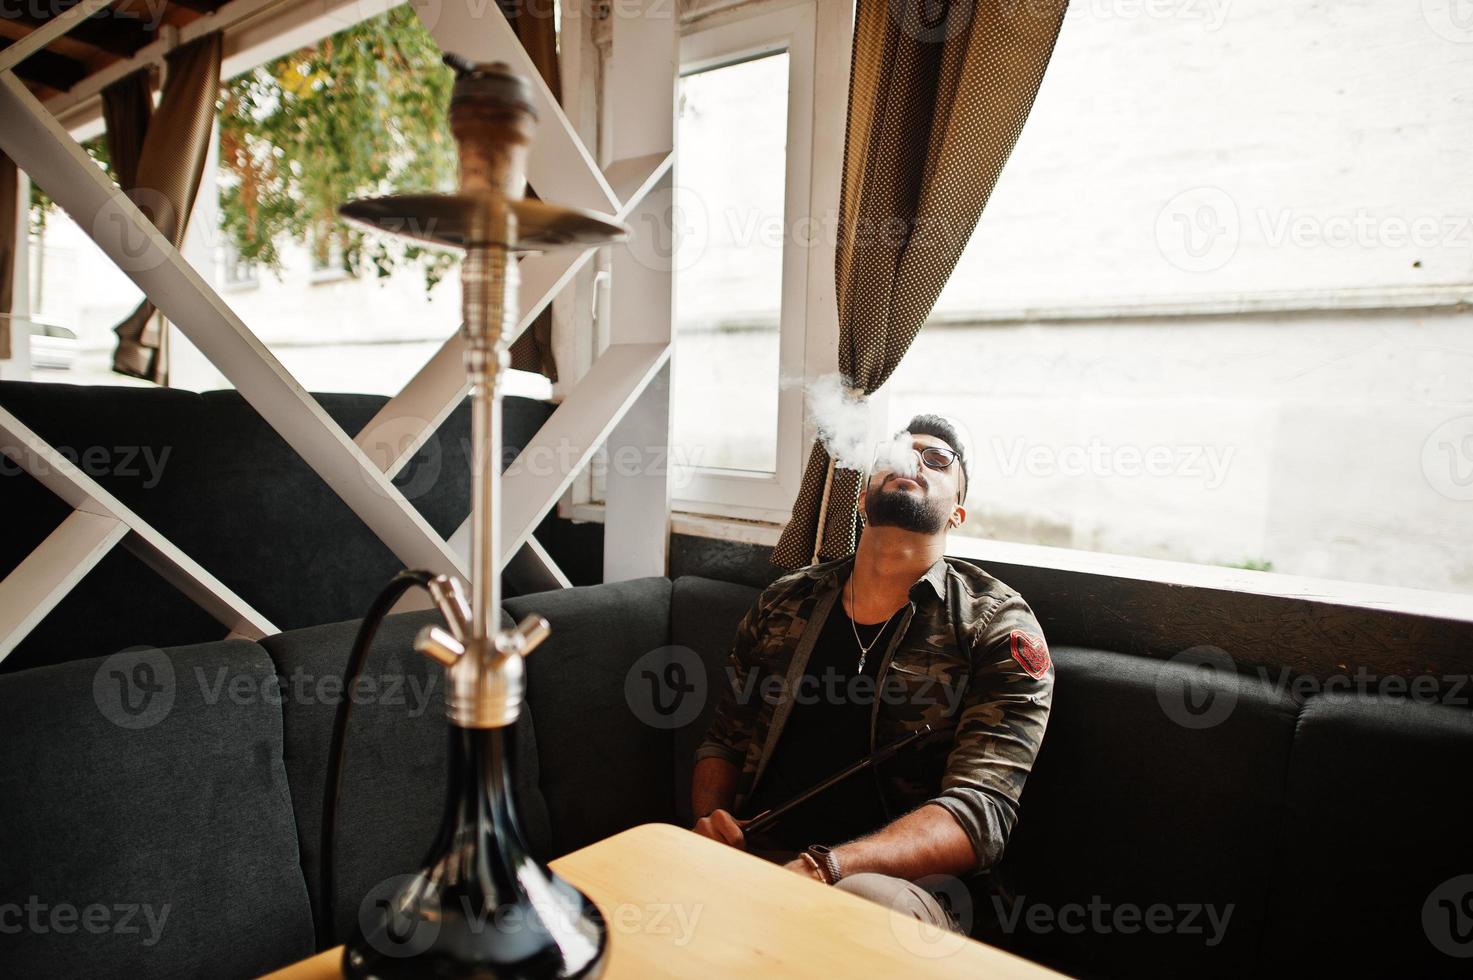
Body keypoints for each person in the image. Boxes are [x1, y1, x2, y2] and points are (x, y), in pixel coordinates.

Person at [690, 414, 1054, 932]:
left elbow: (981, 812)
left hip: (906, 892)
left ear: (958, 513)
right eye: (899, 454)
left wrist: (829, 866)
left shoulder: (995, 626)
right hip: (763, 862)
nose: (914, 462)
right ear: (862, 499)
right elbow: (724, 741)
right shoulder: (785, 600)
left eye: (938, 460)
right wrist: (711, 821)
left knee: (858, 901)